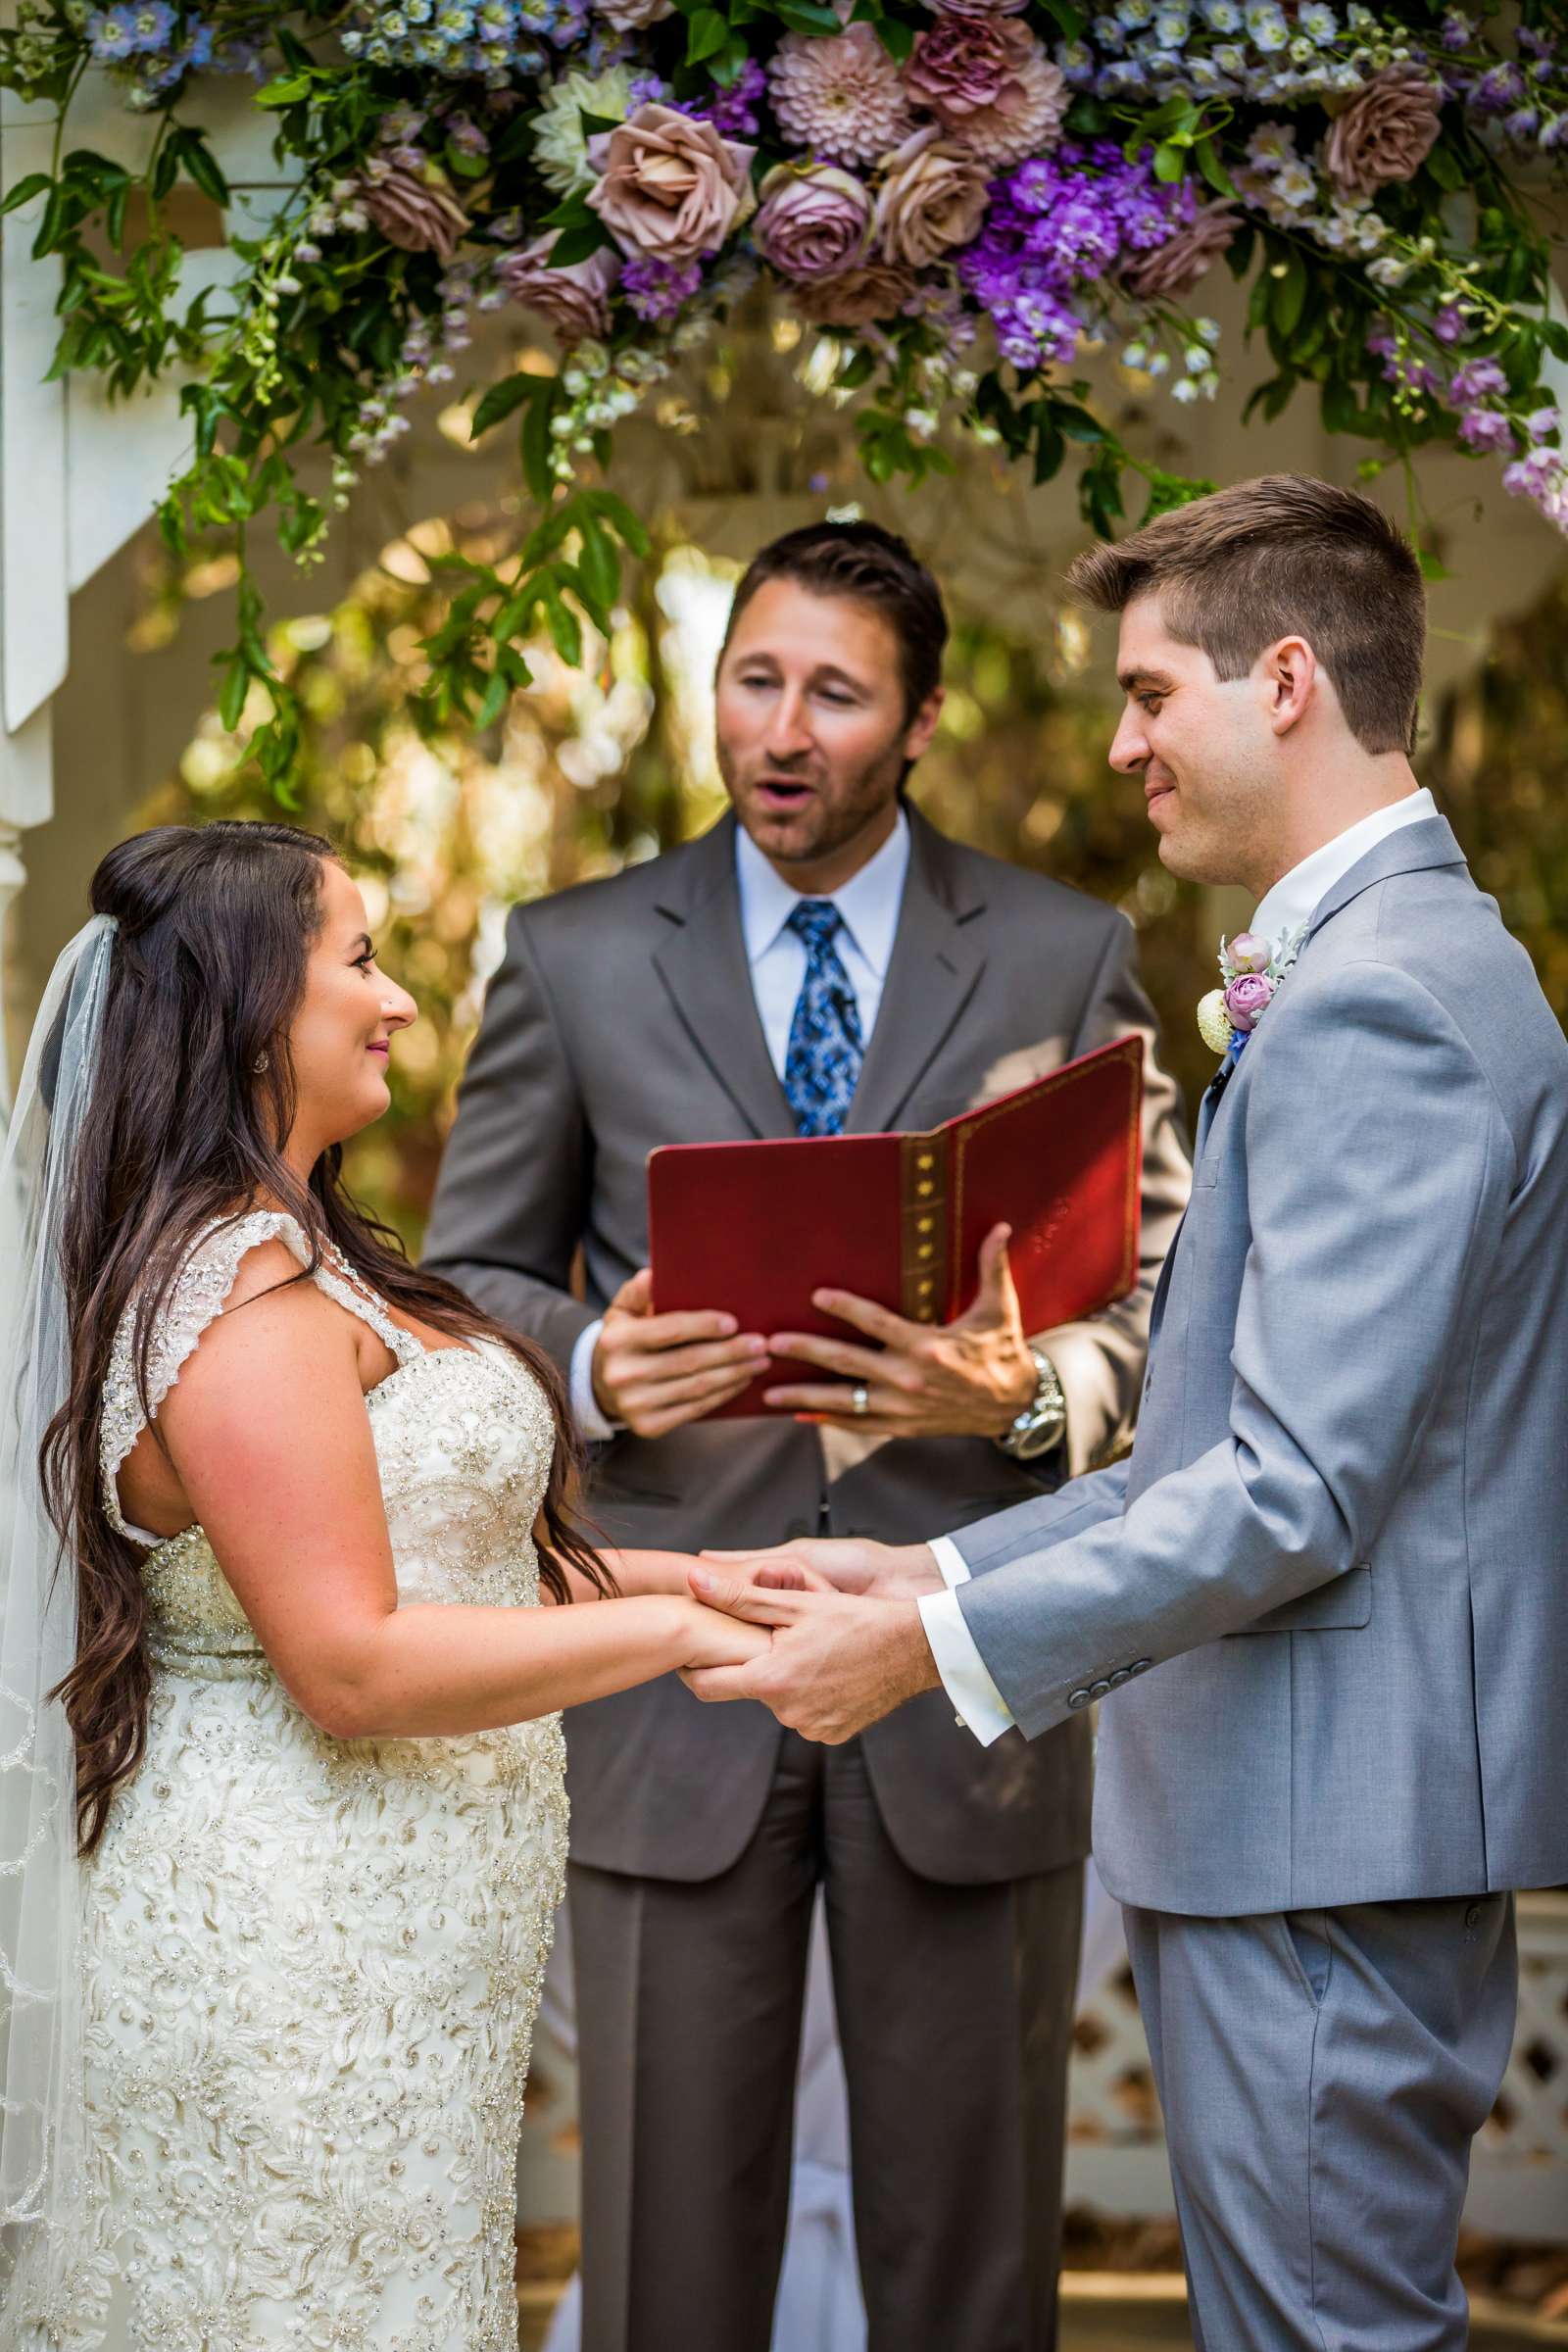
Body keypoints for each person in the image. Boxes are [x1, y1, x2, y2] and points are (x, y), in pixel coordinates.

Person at [685, 476, 1568, 2349]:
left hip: (1322, 1841)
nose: (1122, 744)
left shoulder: (1383, 1005)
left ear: (1291, 682)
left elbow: (1289, 1493)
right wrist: (923, 1556)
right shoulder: (1382, 969)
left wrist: (928, 1644)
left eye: (1154, 694)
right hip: (1317, 1834)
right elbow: (1223, 1448)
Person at [423, 521, 1191, 2352]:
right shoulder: (577, 954)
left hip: (958, 1669)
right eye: (752, 681)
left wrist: (1018, 1393)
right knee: (669, 2251)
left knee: (972, 2253)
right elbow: (461, 1285)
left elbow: (1169, 1315)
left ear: (918, 720)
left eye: (835, 693)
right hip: (672, 1675)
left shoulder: (1070, 956)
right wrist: (597, 1364)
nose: (781, 728)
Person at [0, 819, 767, 2346]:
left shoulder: (311, 1253)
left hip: (396, 1959)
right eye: (359, 958)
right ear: (245, 1007)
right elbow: (350, 1661)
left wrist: (726, 1574)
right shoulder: (234, 1293)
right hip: (283, 1956)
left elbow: (447, 1558)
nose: (399, 995)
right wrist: (671, 1634)